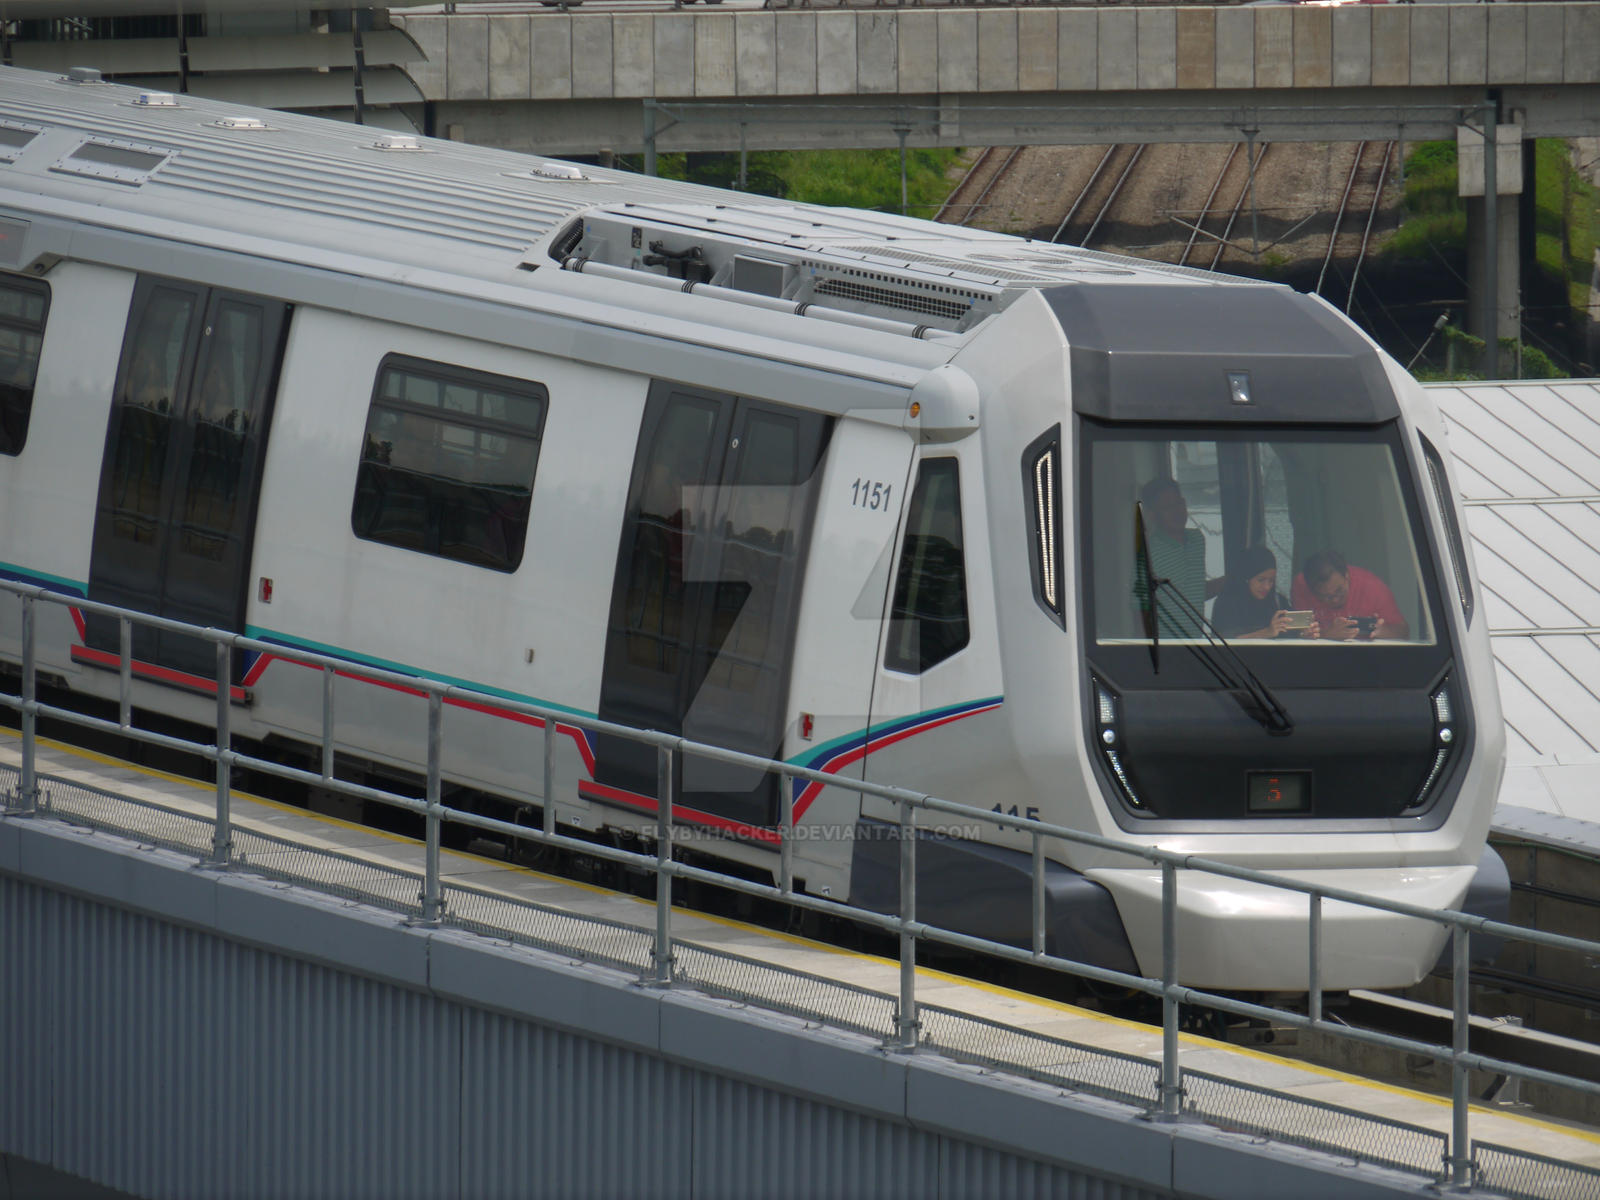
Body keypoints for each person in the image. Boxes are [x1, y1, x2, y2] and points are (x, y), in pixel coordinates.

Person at [1132, 477, 1221, 637]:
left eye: (1179, 503)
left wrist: (1235, 578)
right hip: (1166, 650)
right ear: (1152, 514)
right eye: (1167, 507)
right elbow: (1140, 610)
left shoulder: (1197, 540)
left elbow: (1195, 592)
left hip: (1197, 648)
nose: (1177, 511)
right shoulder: (1148, 552)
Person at [1291, 549, 1409, 641]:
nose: (1335, 600)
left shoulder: (1372, 587)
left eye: (1339, 591)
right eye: (1325, 596)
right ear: (1311, 589)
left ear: (1347, 576)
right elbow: (1298, 635)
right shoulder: (1300, 585)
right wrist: (1327, 634)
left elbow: (1404, 631)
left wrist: (1383, 631)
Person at [1212, 544, 1313, 640]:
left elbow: (1292, 635)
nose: (1267, 587)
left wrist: (1304, 633)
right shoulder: (1227, 604)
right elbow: (1223, 641)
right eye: (1261, 580)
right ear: (1246, 578)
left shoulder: (1279, 602)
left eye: (1271, 580)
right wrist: (1266, 633)